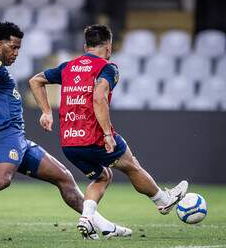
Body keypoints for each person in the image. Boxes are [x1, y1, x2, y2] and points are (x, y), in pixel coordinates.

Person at [0, 22, 132, 239]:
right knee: (1, 179)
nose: (16, 53)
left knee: (63, 178)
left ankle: (102, 225)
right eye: (13, 47)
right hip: (4, 135)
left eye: (19, 48)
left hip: (18, 140)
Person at [29, 24, 189, 239]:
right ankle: (163, 200)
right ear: (109, 46)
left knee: (102, 177)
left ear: (86, 46)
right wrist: (106, 134)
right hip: (94, 137)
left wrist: (46, 112)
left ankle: (86, 217)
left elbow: (35, 80)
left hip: (69, 143)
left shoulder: (68, 67)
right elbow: (99, 97)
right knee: (132, 165)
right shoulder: (108, 67)